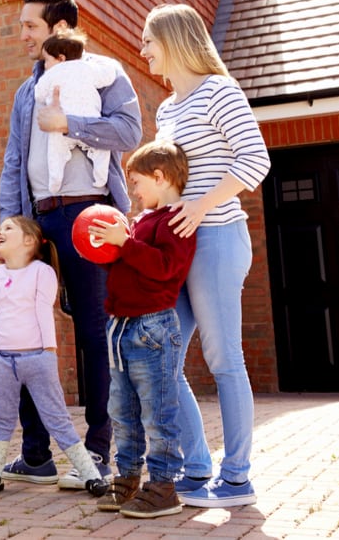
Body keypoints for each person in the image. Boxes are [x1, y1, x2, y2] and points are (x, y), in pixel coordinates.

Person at [0, 0, 143, 490]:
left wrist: (70, 124)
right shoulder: (24, 92)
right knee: (27, 335)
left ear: (58, 29)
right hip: (38, 222)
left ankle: (101, 448)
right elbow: (15, 160)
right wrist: (11, 225)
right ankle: (36, 454)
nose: (22, 35)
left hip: (89, 214)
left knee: (94, 333)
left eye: (30, 26)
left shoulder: (105, 73)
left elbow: (129, 132)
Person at [140, 3, 271, 508]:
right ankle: (197, 467)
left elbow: (254, 160)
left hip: (217, 239)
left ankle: (236, 477)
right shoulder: (167, 108)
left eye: (149, 40)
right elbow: (169, 182)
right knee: (162, 360)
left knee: (223, 360)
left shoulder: (221, 91)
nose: (144, 49)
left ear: (173, 40)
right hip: (178, 246)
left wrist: (199, 206)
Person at [86, 140, 196, 518]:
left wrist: (126, 243)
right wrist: (107, 251)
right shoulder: (139, 222)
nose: (132, 191)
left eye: (135, 182)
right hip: (119, 328)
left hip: (153, 328)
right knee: (122, 410)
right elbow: (125, 269)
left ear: (160, 176)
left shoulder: (176, 220)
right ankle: (127, 477)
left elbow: (166, 267)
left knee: (157, 411)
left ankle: (164, 485)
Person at [0, 215, 108, 498]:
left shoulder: (41, 272)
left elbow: (43, 312)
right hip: (1, 361)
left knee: (57, 418)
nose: (0, 231)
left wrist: (50, 352)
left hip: (37, 358)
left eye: (8, 228)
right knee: (1, 417)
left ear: (29, 241)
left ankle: (91, 475)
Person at [36, 29, 117, 194]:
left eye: (47, 60)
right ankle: (100, 177)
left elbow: (38, 93)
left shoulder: (52, 73)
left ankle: (55, 181)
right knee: (101, 152)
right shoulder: (87, 67)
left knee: (55, 153)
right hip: (89, 123)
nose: (45, 65)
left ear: (61, 59)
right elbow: (108, 75)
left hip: (61, 125)